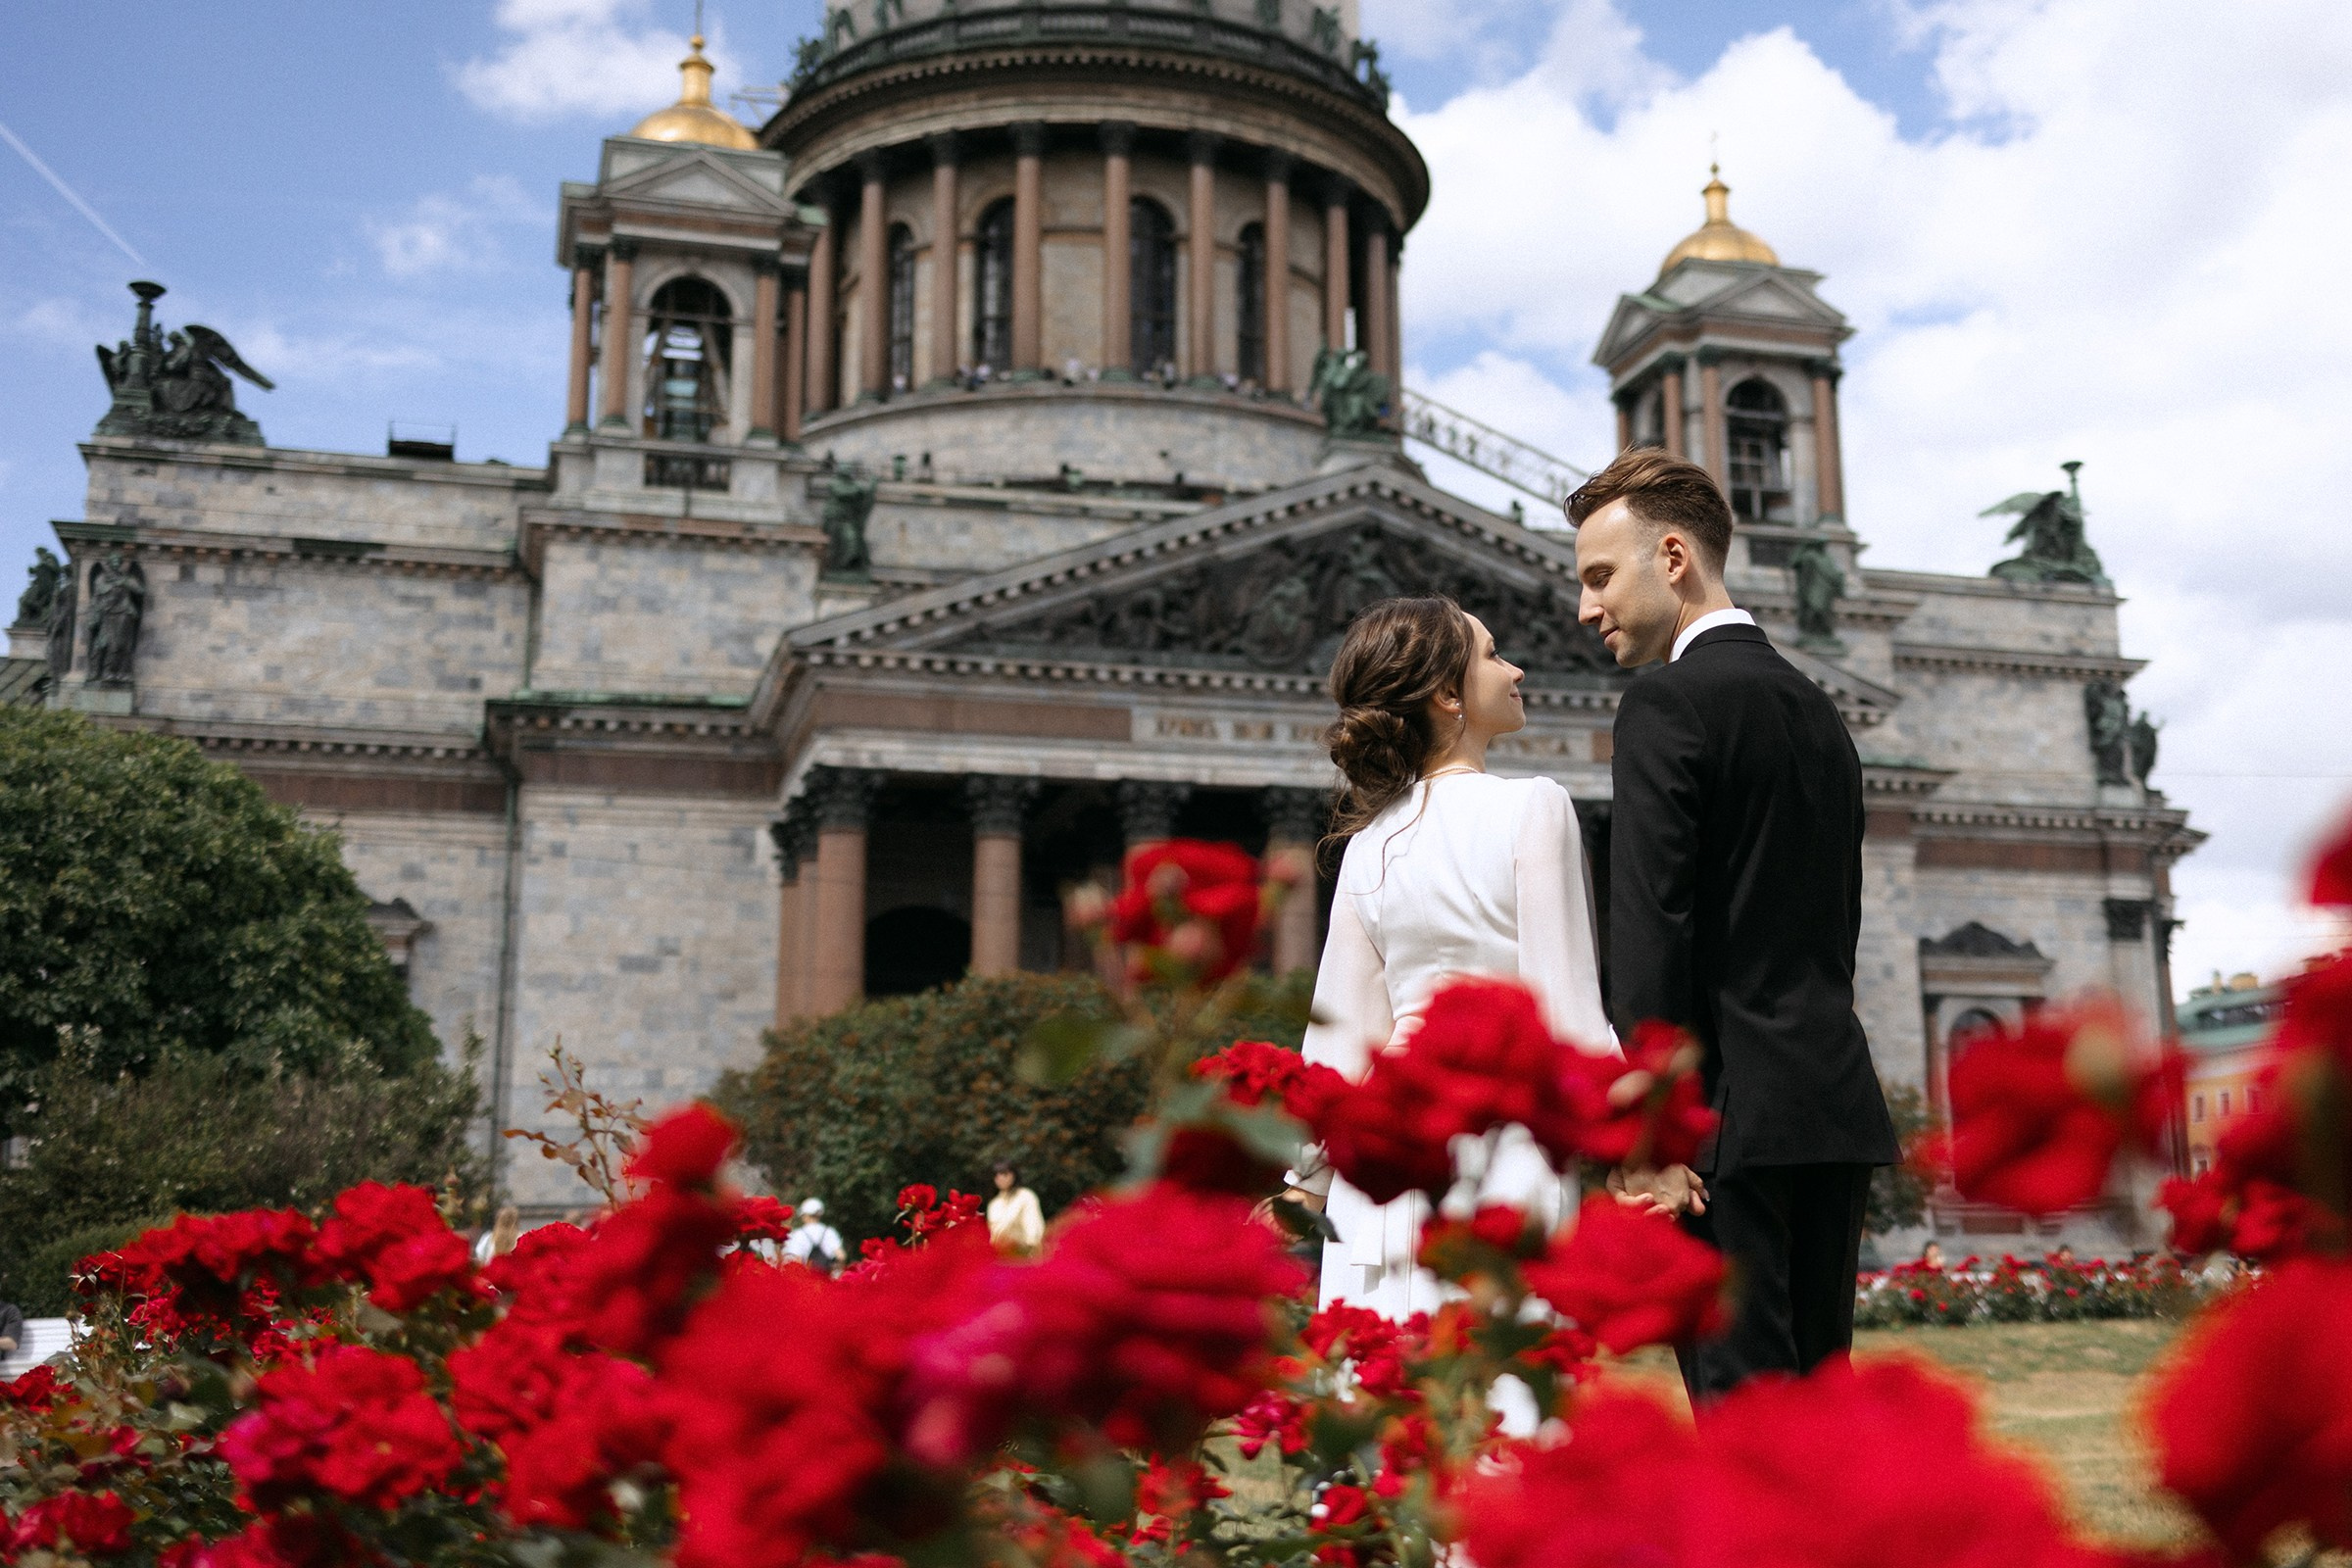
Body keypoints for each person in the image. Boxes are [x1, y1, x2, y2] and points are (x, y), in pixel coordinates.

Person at [1570, 446, 1898, 1404]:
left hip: (1722, 1131)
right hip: (1830, 1103)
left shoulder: (1668, 703)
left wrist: (1655, 1138)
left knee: (1748, 1428)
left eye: (1600, 576)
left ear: (1671, 557)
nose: (1587, 608)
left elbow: (1651, 934)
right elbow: (1835, 919)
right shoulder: (1818, 710)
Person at [1284, 596, 1618, 1318]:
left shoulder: (1368, 843)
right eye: (1495, 655)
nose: (1516, 668)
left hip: (1380, 1159)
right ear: (1445, 693)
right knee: (1499, 1396)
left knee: (1379, 1390)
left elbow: (1336, 1040)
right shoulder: (1535, 806)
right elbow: (1567, 1007)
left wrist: (1306, 1181)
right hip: (1500, 1150)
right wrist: (1637, 1145)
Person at [987, 1163, 1045, 1254]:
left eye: (1004, 1174)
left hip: (1025, 1252)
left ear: (1013, 1175)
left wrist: (1031, 1246)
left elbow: (1033, 1225)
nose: (1000, 1178)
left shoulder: (1025, 1196)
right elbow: (992, 1234)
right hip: (1001, 1256)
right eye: (996, 1175)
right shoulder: (994, 1204)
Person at [783, 1198, 846, 1275]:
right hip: (826, 1278)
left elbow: (792, 1259)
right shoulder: (829, 1232)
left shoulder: (798, 1234)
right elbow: (841, 1256)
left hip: (806, 1279)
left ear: (805, 1216)